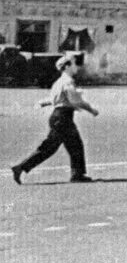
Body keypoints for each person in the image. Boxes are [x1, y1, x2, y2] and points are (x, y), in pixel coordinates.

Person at [12, 55, 99, 184]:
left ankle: (21, 168)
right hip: (64, 118)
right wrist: (91, 109)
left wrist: (42, 103)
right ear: (67, 66)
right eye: (74, 64)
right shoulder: (68, 81)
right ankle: (77, 175)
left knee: (50, 148)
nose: (77, 67)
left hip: (57, 117)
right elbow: (75, 100)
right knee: (74, 145)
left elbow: (53, 99)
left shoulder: (59, 82)